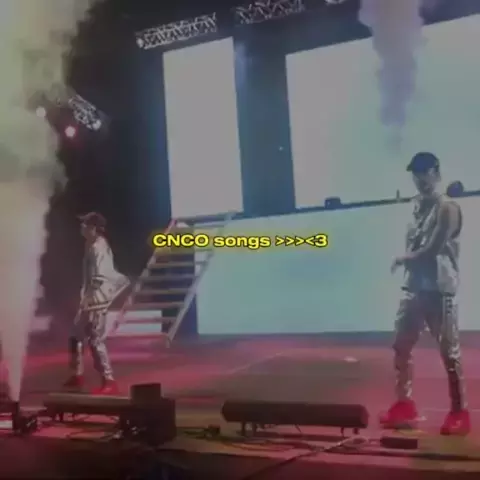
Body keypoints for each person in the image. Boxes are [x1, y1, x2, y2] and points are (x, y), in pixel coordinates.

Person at [380, 152, 470, 436]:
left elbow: (432, 249)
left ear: (436, 172)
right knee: (401, 346)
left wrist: (402, 259)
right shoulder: (414, 207)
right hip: (413, 288)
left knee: (449, 353)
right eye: (416, 173)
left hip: (439, 289)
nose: (420, 178)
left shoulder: (448, 208)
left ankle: (459, 412)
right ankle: (404, 404)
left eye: (425, 172)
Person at [63, 212, 128, 395]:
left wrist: (90, 300)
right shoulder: (90, 244)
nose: (81, 227)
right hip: (89, 299)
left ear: (93, 228)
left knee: (95, 340)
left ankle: (109, 380)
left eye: (84, 224)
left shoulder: (99, 247)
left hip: (98, 299)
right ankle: (77, 374)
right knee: (75, 335)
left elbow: (100, 277)